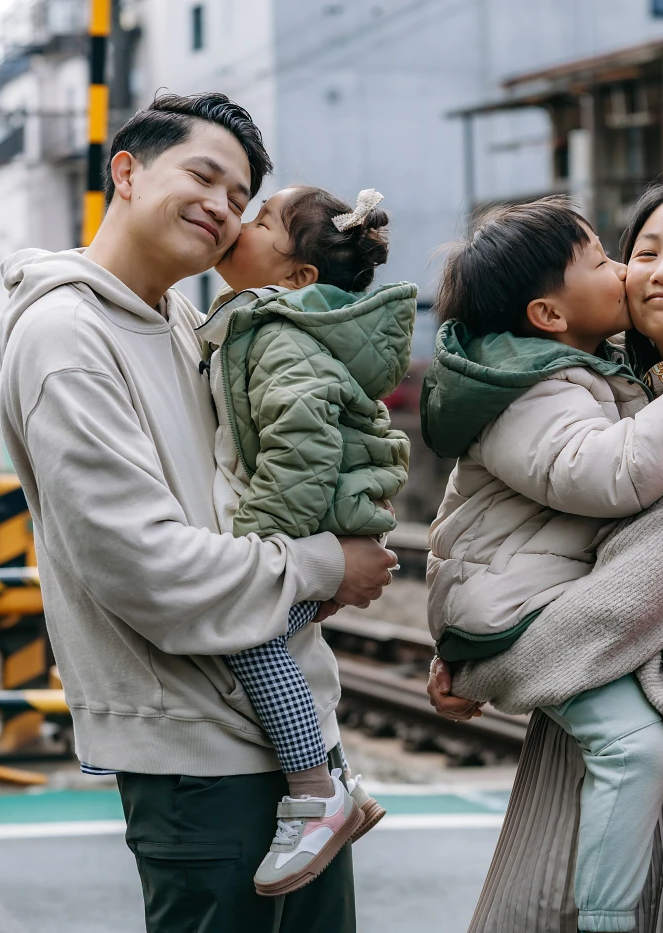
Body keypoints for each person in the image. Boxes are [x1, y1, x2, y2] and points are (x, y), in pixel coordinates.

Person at [0, 92, 396, 933]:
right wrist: (329, 565)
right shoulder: (67, 338)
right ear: (129, 172)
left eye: (240, 197)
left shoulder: (190, 320)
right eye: (203, 176)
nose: (222, 208)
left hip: (295, 751)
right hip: (198, 760)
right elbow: (149, 568)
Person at [428, 178, 663, 933]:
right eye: (641, 251)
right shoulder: (619, 393)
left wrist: (496, 656)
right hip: (614, 717)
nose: (659, 269)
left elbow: (628, 594)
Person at [197, 184, 416, 895]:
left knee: (250, 627)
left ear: (297, 278)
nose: (239, 221)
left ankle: (316, 791)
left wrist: (259, 549)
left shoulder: (281, 335)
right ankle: (342, 776)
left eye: (260, 220)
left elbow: (301, 445)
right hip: (324, 517)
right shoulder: (263, 322)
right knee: (277, 640)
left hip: (313, 517)